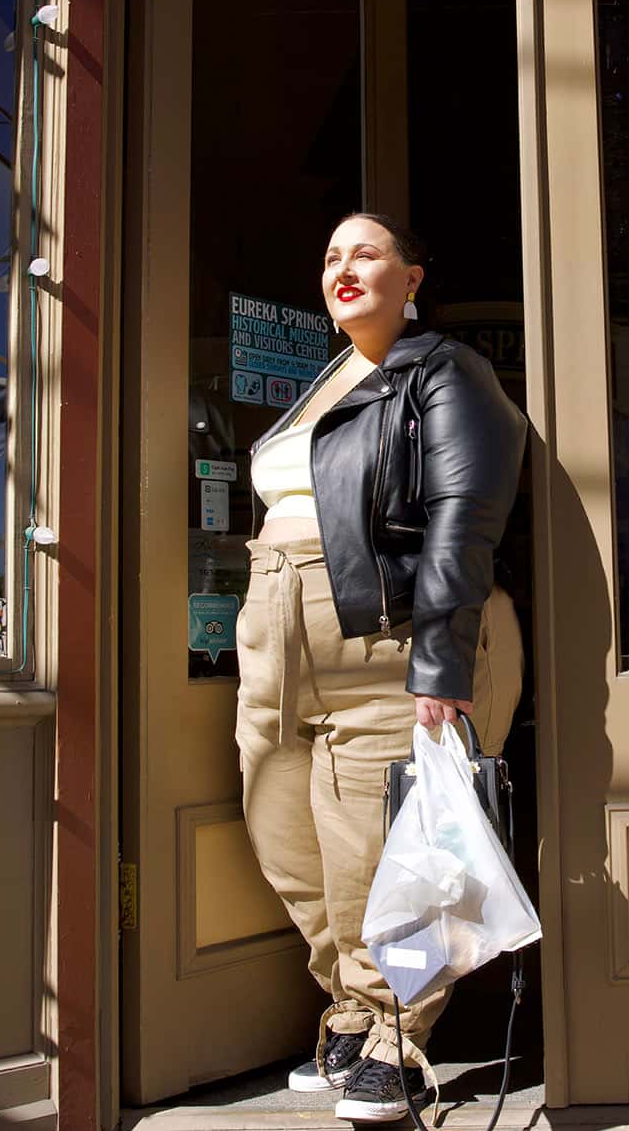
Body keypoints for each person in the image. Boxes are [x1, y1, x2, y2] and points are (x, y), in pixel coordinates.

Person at [236, 212, 527, 1122]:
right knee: (287, 841)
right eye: (329, 256)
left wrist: (441, 662)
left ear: (412, 280)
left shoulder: (440, 369)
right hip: (278, 637)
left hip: (387, 633)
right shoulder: (323, 385)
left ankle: (395, 1039)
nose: (343, 268)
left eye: (366, 253)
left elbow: (463, 516)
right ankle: (352, 1007)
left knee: (389, 847)